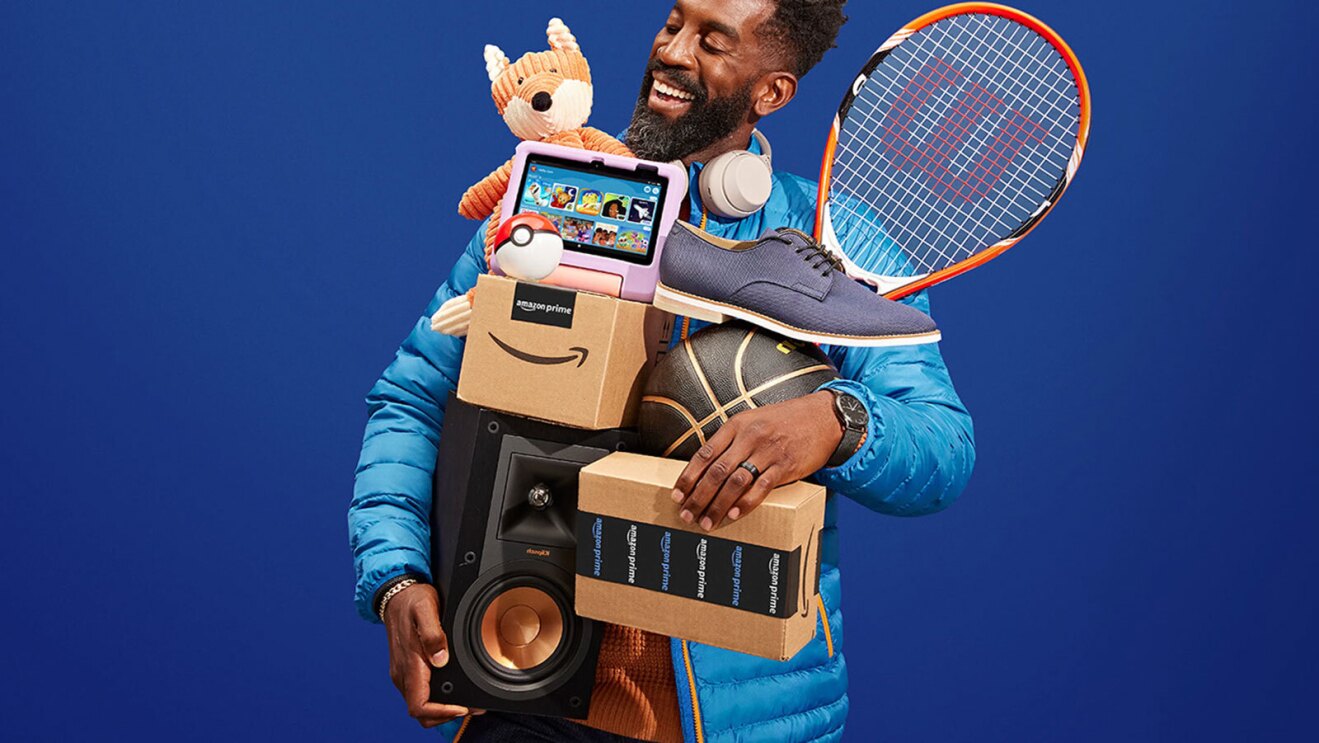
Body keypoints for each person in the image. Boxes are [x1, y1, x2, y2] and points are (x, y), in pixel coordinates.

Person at [348, 1, 975, 741]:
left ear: (770, 93)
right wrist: (395, 575)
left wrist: (836, 420)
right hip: (522, 672)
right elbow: (414, 397)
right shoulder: (554, 204)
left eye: (711, 42)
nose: (672, 51)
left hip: (747, 716)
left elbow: (942, 448)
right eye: (673, 23)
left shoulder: (830, 246)